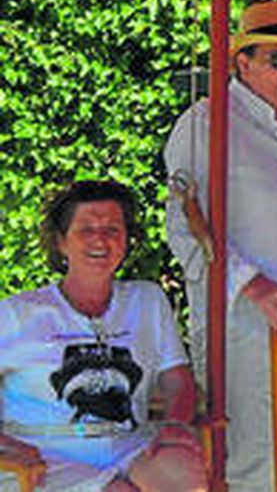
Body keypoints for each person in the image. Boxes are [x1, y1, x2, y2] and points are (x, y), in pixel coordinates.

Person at [162, 0, 277, 490]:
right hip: (242, 325)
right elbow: (184, 227)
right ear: (243, 63)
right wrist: (253, 284)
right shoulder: (207, 123)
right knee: (249, 461)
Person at [0, 181, 205, 491]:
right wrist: (9, 446)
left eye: (112, 229)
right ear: (61, 242)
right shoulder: (18, 313)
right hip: (45, 457)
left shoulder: (147, 300)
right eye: (86, 229)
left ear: (126, 240)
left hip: (129, 446)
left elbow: (176, 378)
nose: (101, 239)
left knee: (181, 471)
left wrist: (174, 425)